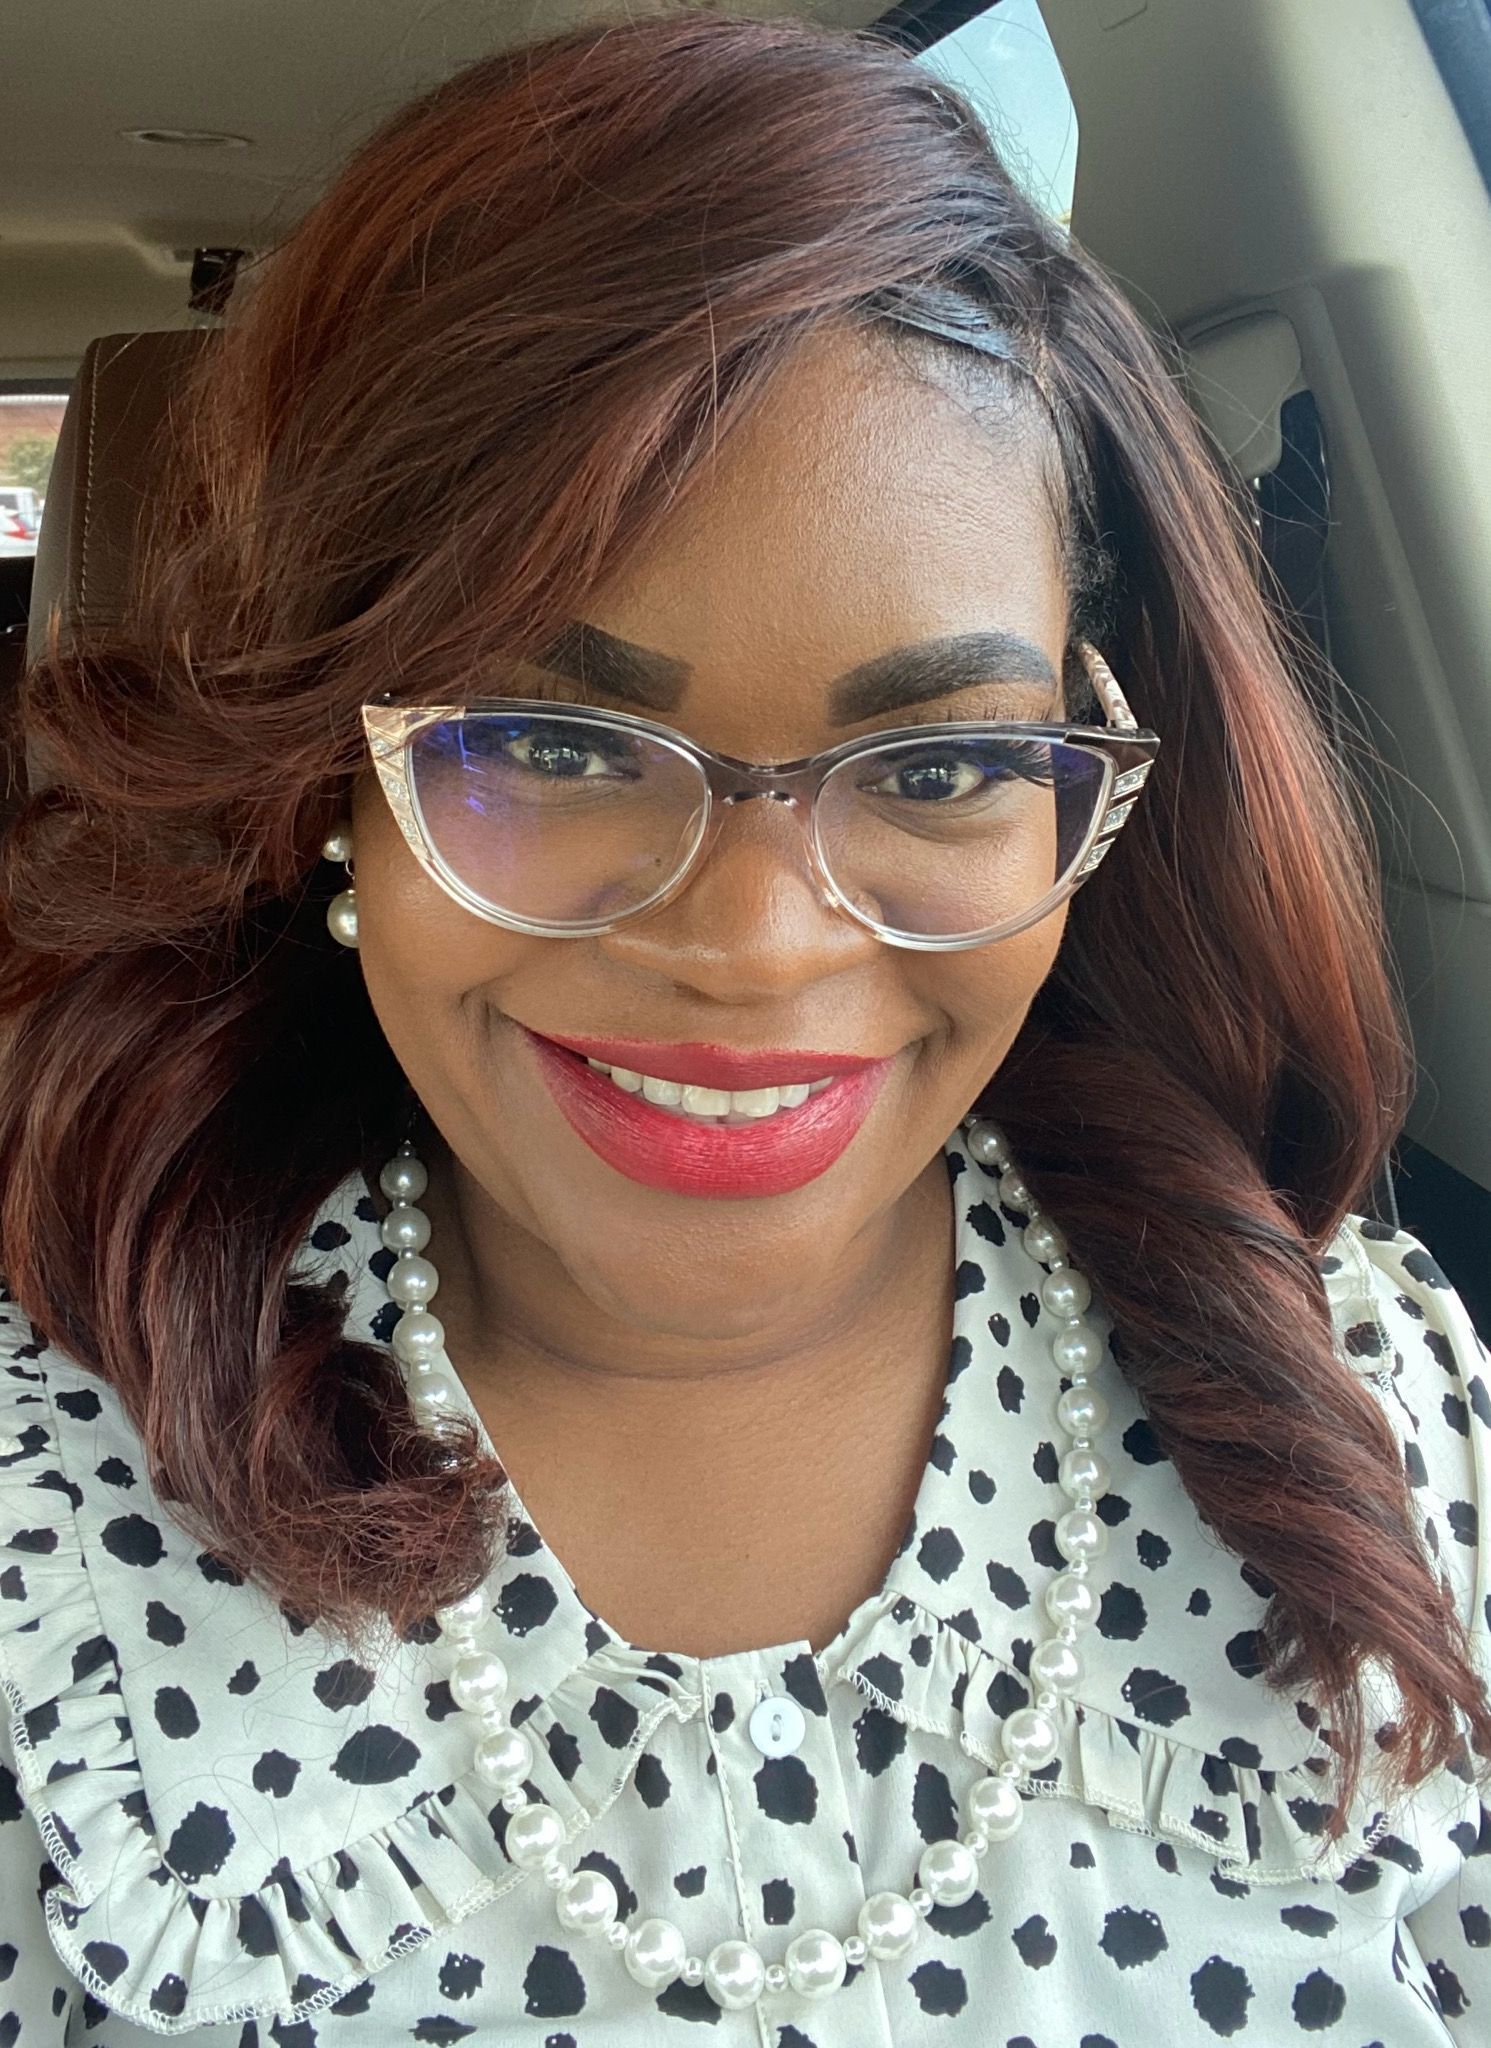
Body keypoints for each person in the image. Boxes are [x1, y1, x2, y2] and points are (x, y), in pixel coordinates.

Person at [0, 10, 1487, 2043]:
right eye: (549, 738)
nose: (759, 949)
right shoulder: (48, 1501)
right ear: (329, 780)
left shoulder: (1372, 1391)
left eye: (940, 763)